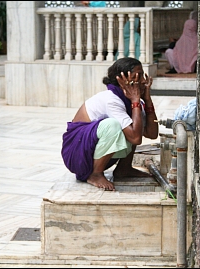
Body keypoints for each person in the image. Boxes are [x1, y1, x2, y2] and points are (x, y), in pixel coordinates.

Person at [61, 57, 159, 191]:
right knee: (113, 125)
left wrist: (147, 100)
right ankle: (95, 174)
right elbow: (136, 138)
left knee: (133, 123)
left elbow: (152, 134)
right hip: (77, 156)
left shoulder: (131, 103)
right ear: (124, 80)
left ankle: (124, 169)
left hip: (92, 152)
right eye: (138, 76)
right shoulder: (111, 100)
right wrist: (136, 99)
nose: (143, 81)